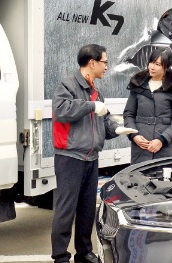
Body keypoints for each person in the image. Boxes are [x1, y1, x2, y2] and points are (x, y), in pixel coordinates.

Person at [51, 44, 136, 263]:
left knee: (87, 209)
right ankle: (60, 257)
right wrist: (90, 105)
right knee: (66, 210)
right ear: (92, 63)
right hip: (70, 157)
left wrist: (116, 129)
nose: (107, 66)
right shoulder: (68, 85)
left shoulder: (97, 91)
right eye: (105, 62)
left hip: (91, 158)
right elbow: (61, 111)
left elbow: (101, 123)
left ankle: (84, 252)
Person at [123, 47, 172, 164]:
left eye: (157, 64)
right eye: (151, 62)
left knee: (163, 180)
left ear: (167, 66)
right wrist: (134, 135)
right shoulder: (138, 84)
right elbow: (128, 114)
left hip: (165, 148)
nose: (152, 67)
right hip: (141, 147)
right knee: (138, 180)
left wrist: (162, 140)